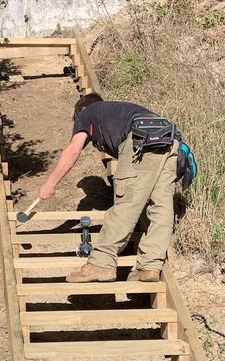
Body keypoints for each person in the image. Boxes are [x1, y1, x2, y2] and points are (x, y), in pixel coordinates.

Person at [38, 93, 180, 283]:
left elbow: (73, 149)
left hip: (141, 138)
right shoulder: (116, 112)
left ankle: (101, 263)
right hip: (170, 138)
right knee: (161, 206)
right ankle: (149, 266)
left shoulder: (86, 112)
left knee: (126, 202)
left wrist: (50, 183)